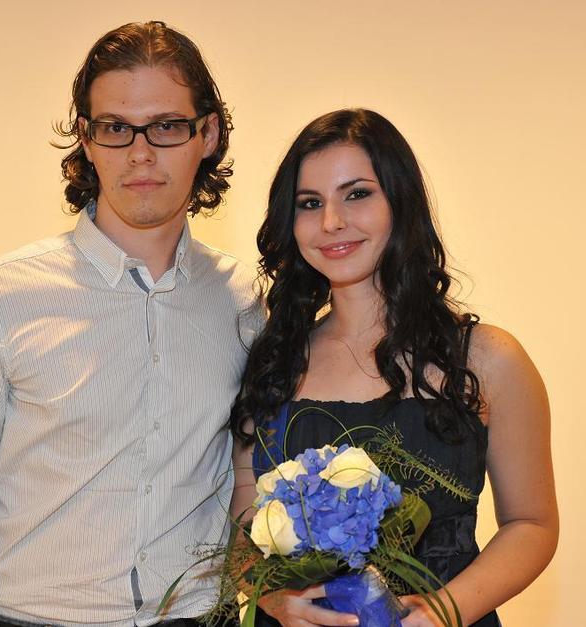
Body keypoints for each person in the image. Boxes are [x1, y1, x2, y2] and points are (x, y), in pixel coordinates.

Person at [0, 21, 259, 627]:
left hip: (197, 615)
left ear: (207, 133)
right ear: (85, 137)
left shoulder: (243, 300)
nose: (140, 153)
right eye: (115, 128)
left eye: (166, 126)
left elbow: (254, 480)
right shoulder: (0, 297)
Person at [229, 109, 558, 627]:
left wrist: (443, 612)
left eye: (357, 194)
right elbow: (241, 530)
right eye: (310, 203)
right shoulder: (272, 363)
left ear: (401, 203)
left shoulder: (488, 359)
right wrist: (272, 599)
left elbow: (532, 524)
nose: (332, 222)